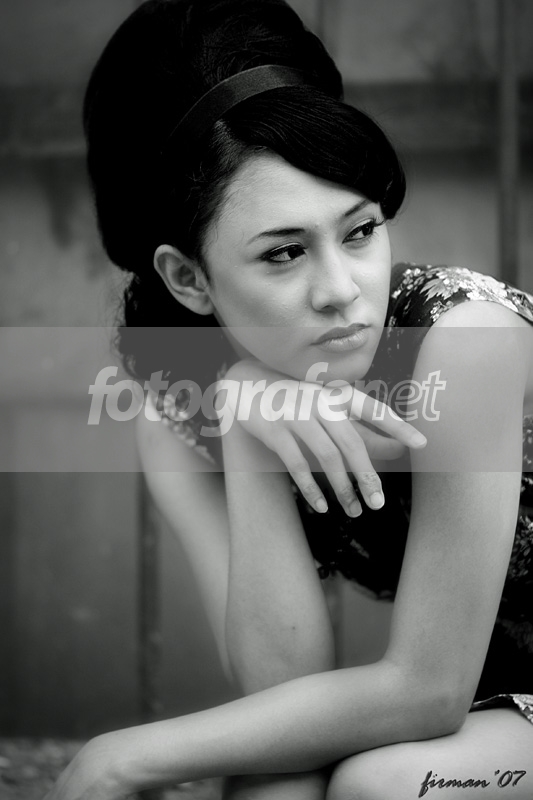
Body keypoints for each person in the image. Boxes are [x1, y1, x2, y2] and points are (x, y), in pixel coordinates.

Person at [46, 0, 533, 797]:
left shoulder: (463, 340)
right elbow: (278, 690)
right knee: (269, 788)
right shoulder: (177, 422)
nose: (341, 290)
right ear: (188, 279)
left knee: (377, 785)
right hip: (492, 708)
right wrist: (244, 426)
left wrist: (122, 756)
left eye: (359, 230)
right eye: (282, 253)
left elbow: (428, 688)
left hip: (462, 700)